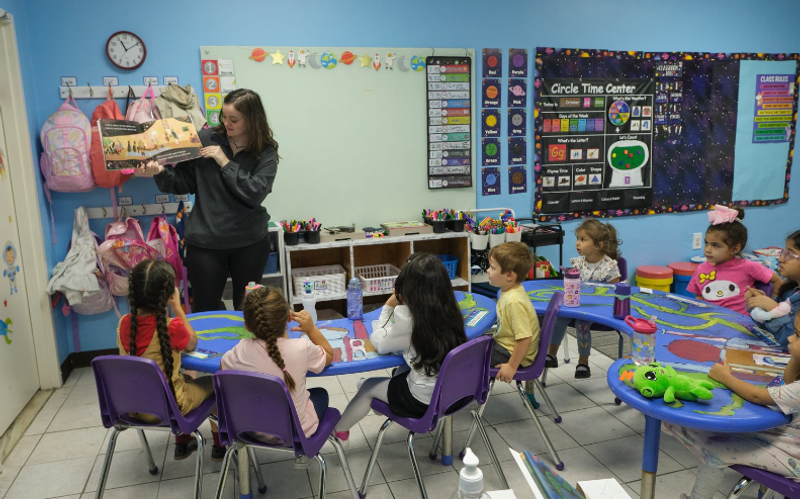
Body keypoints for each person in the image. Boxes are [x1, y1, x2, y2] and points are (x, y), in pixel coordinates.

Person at [134, 88, 279, 312]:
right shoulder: (204, 139)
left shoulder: (265, 151)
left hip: (250, 242)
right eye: (224, 116)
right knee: (205, 309)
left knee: (250, 310)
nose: (227, 123)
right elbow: (184, 183)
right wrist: (158, 172)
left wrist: (224, 161)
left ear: (251, 120)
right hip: (205, 243)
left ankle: (246, 349)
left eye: (234, 119)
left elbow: (255, 192)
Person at [332, 253, 467, 445]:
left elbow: (380, 342)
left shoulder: (410, 321)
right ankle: (382, 402)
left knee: (368, 386)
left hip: (424, 401)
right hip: (452, 393)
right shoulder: (451, 313)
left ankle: (339, 430)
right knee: (401, 370)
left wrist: (388, 306)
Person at [665, 312, 800, 499]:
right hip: (791, 437)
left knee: (714, 447)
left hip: (795, 455)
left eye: (798, 335)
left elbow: (757, 396)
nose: (790, 338)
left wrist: (725, 377)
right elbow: (789, 378)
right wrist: (796, 352)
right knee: (715, 435)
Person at [117, 259, 223, 461]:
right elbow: (192, 342)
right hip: (168, 406)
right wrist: (178, 307)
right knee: (217, 384)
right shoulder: (171, 327)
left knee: (187, 380)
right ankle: (220, 447)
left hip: (132, 406)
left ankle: (183, 444)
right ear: (168, 294)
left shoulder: (124, 323)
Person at [221, 286, 333, 469]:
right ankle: (304, 451)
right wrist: (311, 329)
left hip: (249, 429)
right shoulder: (301, 347)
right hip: (294, 433)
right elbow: (329, 355)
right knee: (321, 393)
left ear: (247, 326)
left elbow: (223, 369)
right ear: (289, 317)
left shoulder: (239, 349)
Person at [545, 219, 621, 378]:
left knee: (582, 322)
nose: (577, 243)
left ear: (598, 245)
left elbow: (615, 293)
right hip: (577, 305)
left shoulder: (610, 266)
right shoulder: (578, 263)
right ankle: (551, 355)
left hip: (597, 310)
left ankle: (583, 362)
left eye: (583, 239)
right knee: (559, 316)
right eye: (578, 239)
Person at [687, 205, 782, 314]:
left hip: (741, 324)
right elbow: (699, 297)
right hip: (711, 322)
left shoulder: (749, 266)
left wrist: (772, 303)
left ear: (735, 248)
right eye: (706, 243)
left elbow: (777, 281)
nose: (708, 249)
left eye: (716, 245)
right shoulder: (701, 269)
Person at [486, 242, 540, 383]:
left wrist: (511, 366)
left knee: (464, 359)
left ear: (509, 275)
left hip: (512, 354)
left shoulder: (514, 302)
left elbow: (524, 338)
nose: (488, 271)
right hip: (506, 345)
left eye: (492, 267)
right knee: (470, 347)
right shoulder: (509, 291)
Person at [747, 229, 800, 348]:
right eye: (783, 252)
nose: (781, 259)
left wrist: (774, 309)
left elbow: (790, 342)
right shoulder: (790, 291)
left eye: (790, 255)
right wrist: (757, 304)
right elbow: (766, 327)